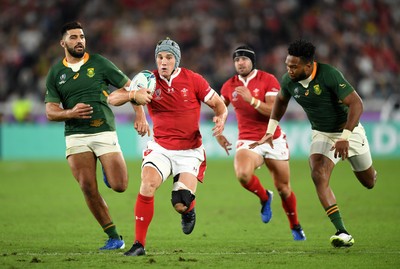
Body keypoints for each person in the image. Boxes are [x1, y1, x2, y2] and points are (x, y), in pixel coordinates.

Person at [250, 39, 377, 248]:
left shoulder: (329, 75)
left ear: (308, 66)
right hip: (322, 133)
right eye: (287, 65)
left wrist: (345, 136)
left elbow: (356, 103)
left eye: (294, 66)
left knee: (369, 182)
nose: (289, 70)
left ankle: (371, 173)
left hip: (349, 131)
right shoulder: (289, 81)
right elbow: (281, 101)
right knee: (318, 173)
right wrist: (270, 131)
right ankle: (342, 231)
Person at [108, 37, 228, 256]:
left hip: (190, 151)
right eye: (160, 57)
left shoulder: (194, 80)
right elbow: (113, 99)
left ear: (177, 61)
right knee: (147, 184)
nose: (163, 62)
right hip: (160, 148)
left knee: (180, 203)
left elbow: (219, 105)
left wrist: (221, 117)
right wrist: (133, 95)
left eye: (168, 58)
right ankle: (139, 244)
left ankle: (188, 210)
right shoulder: (147, 80)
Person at [45, 21, 152, 250]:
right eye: (73, 37)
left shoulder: (99, 63)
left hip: (103, 130)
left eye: (82, 36)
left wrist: (140, 116)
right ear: (63, 43)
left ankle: (106, 169)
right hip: (75, 134)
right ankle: (114, 236)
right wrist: (70, 112)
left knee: (120, 185)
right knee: (87, 186)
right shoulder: (56, 72)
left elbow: (130, 87)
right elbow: (50, 111)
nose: (79, 41)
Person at [216, 45, 306, 241]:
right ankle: (265, 197)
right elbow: (220, 111)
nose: (240, 62)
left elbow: (274, 111)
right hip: (248, 140)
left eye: (244, 59)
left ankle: (295, 225)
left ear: (252, 61)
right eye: (237, 60)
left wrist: (252, 100)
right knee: (242, 175)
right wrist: (218, 131)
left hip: (272, 138)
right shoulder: (228, 86)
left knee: (284, 188)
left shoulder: (268, 80)